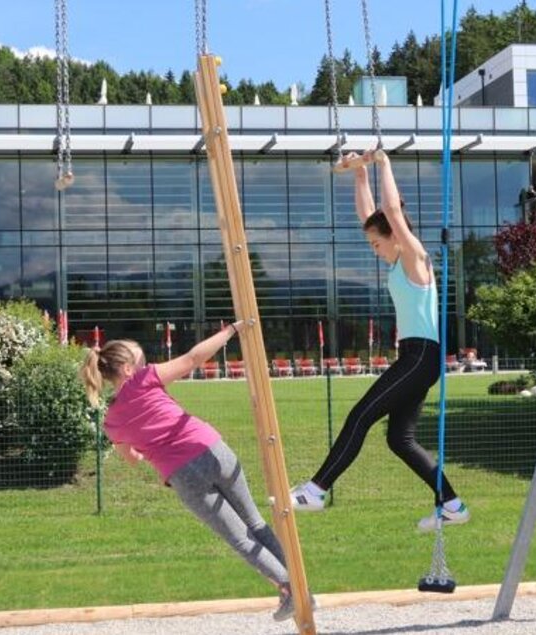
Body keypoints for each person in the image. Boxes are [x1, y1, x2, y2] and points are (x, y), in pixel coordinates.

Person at [290, 147, 469, 532]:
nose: (374, 250)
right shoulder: (398, 259)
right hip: (417, 357)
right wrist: (358, 173)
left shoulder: (415, 257)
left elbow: (389, 212)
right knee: (399, 439)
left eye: (376, 244)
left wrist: (383, 162)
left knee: (360, 415)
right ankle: (452, 504)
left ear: (394, 234)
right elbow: (370, 215)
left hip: (420, 356)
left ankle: (316, 490)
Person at [79, 324, 305, 622]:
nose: (147, 365)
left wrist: (147, 446)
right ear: (127, 369)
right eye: (142, 361)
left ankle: (292, 590)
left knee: (240, 538)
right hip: (213, 448)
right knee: (255, 522)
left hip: (183, 474)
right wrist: (230, 331)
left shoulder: (112, 422)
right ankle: (299, 589)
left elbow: (131, 458)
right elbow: (192, 359)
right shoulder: (145, 380)